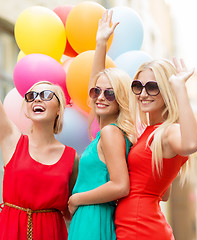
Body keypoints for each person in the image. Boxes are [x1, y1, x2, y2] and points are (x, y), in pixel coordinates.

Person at [94, 10, 197, 240]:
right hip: (136, 227)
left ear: (167, 91)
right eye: (137, 86)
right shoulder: (148, 133)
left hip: (141, 230)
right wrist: (101, 45)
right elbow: (163, 195)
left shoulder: (167, 132)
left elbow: (192, 143)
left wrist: (180, 88)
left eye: (152, 87)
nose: (143, 93)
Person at [0, 10, 78, 240]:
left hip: (52, 234)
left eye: (46, 95)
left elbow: (72, 212)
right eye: (31, 96)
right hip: (9, 232)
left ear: (59, 108)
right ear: (27, 107)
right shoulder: (11, 139)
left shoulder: (72, 158)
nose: (37, 99)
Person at [67, 10, 136, 240]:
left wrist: (77, 198)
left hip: (93, 216)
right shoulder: (105, 130)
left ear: (122, 99)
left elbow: (120, 186)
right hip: (90, 215)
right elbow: (94, 85)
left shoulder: (110, 132)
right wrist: (100, 44)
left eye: (110, 93)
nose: (100, 97)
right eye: (97, 91)